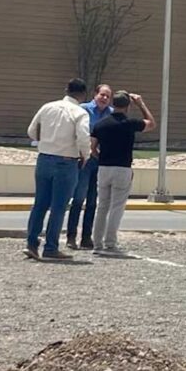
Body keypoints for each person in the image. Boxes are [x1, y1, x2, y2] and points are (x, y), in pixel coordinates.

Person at [25, 78, 90, 260]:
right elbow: (83, 137)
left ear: (66, 90)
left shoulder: (47, 107)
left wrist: (44, 141)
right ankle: (51, 247)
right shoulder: (80, 113)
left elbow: (32, 131)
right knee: (59, 206)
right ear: (83, 94)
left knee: (40, 203)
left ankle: (31, 243)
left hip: (44, 158)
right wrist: (85, 155)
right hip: (66, 161)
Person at [89, 90, 155, 257]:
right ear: (127, 106)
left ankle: (97, 243)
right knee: (116, 207)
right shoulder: (130, 123)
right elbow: (151, 124)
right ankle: (110, 243)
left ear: (113, 103)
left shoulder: (101, 124)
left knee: (102, 206)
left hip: (104, 167)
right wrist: (141, 104)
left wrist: (101, 158)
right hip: (123, 168)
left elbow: (92, 148)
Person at [66, 84, 113, 250]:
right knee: (79, 198)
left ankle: (86, 237)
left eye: (107, 96)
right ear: (95, 94)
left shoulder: (111, 114)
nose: (104, 98)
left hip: (101, 161)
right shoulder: (83, 109)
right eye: (102, 95)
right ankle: (71, 236)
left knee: (93, 201)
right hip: (84, 160)